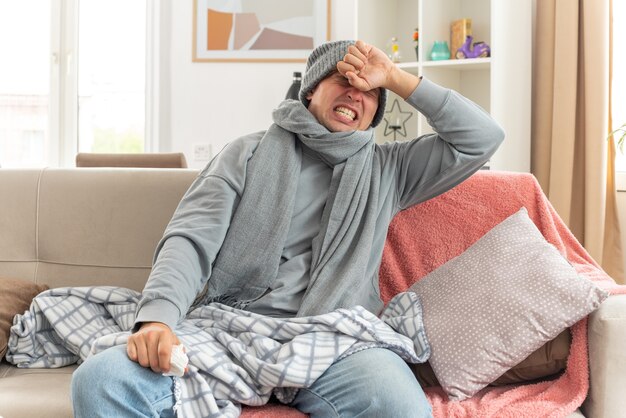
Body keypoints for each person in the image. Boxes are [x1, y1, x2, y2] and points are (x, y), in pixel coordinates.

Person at [71, 39, 504, 417]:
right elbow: (191, 240)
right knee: (102, 380)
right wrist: (158, 320)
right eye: (343, 79)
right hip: (229, 328)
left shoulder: (390, 170)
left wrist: (394, 76)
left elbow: (481, 136)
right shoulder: (246, 153)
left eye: (370, 89)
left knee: (402, 408)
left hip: (338, 339)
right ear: (311, 89)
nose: (357, 92)